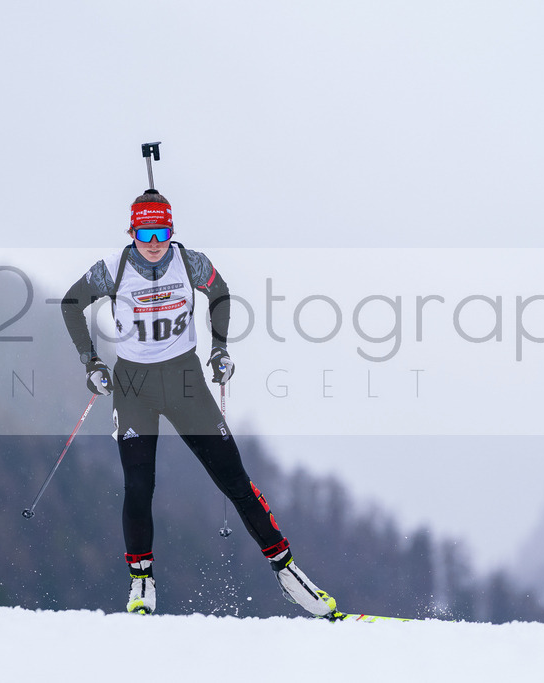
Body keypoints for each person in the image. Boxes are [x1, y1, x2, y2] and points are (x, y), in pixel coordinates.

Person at [60, 188, 337, 618]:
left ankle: (287, 571)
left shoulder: (190, 263)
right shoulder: (110, 271)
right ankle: (141, 581)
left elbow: (221, 293)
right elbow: (71, 304)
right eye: (146, 231)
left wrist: (219, 349)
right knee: (139, 486)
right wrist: (90, 361)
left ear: (172, 231)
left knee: (235, 480)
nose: (154, 243)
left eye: (163, 231)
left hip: (185, 379)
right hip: (133, 384)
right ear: (133, 231)